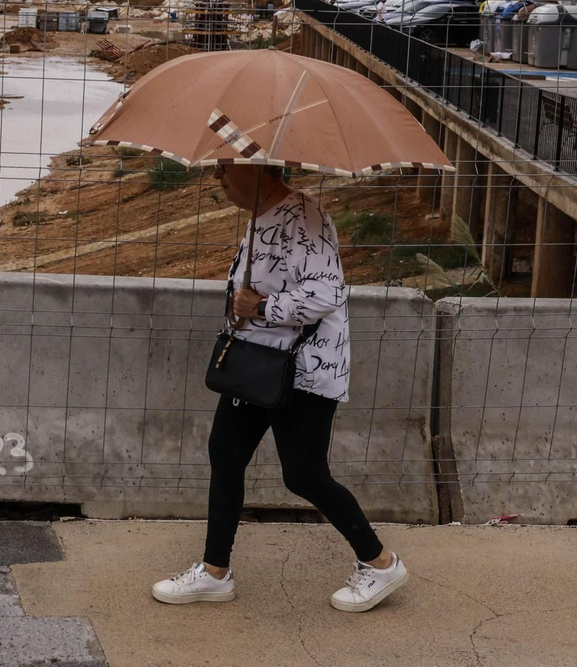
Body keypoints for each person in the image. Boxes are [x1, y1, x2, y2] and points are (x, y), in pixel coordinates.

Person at [151, 162, 408, 613]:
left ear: (256, 169)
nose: (217, 176)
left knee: (304, 475)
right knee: (226, 455)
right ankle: (215, 572)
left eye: (224, 167)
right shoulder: (262, 215)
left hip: (301, 369)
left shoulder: (303, 216)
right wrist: (243, 309)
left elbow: (326, 294)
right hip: (256, 364)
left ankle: (381, 564)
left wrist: (261, 305)